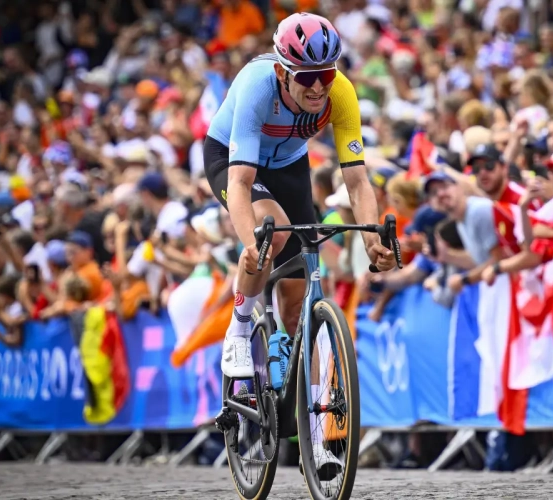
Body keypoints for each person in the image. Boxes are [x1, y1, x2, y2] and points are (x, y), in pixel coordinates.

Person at [203, 12, 396, 475]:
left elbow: (357, 180)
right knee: (276, 233)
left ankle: (320, 434)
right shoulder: (256, 85)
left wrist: (371, 240)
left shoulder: (341, 93)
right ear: (281, 71)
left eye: (325, 75)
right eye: (307, 78)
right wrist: (250, 243)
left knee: (299, 302)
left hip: (289, 165)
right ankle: (241, 325)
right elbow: (243, 181)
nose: (318, 88)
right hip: (232, 159)